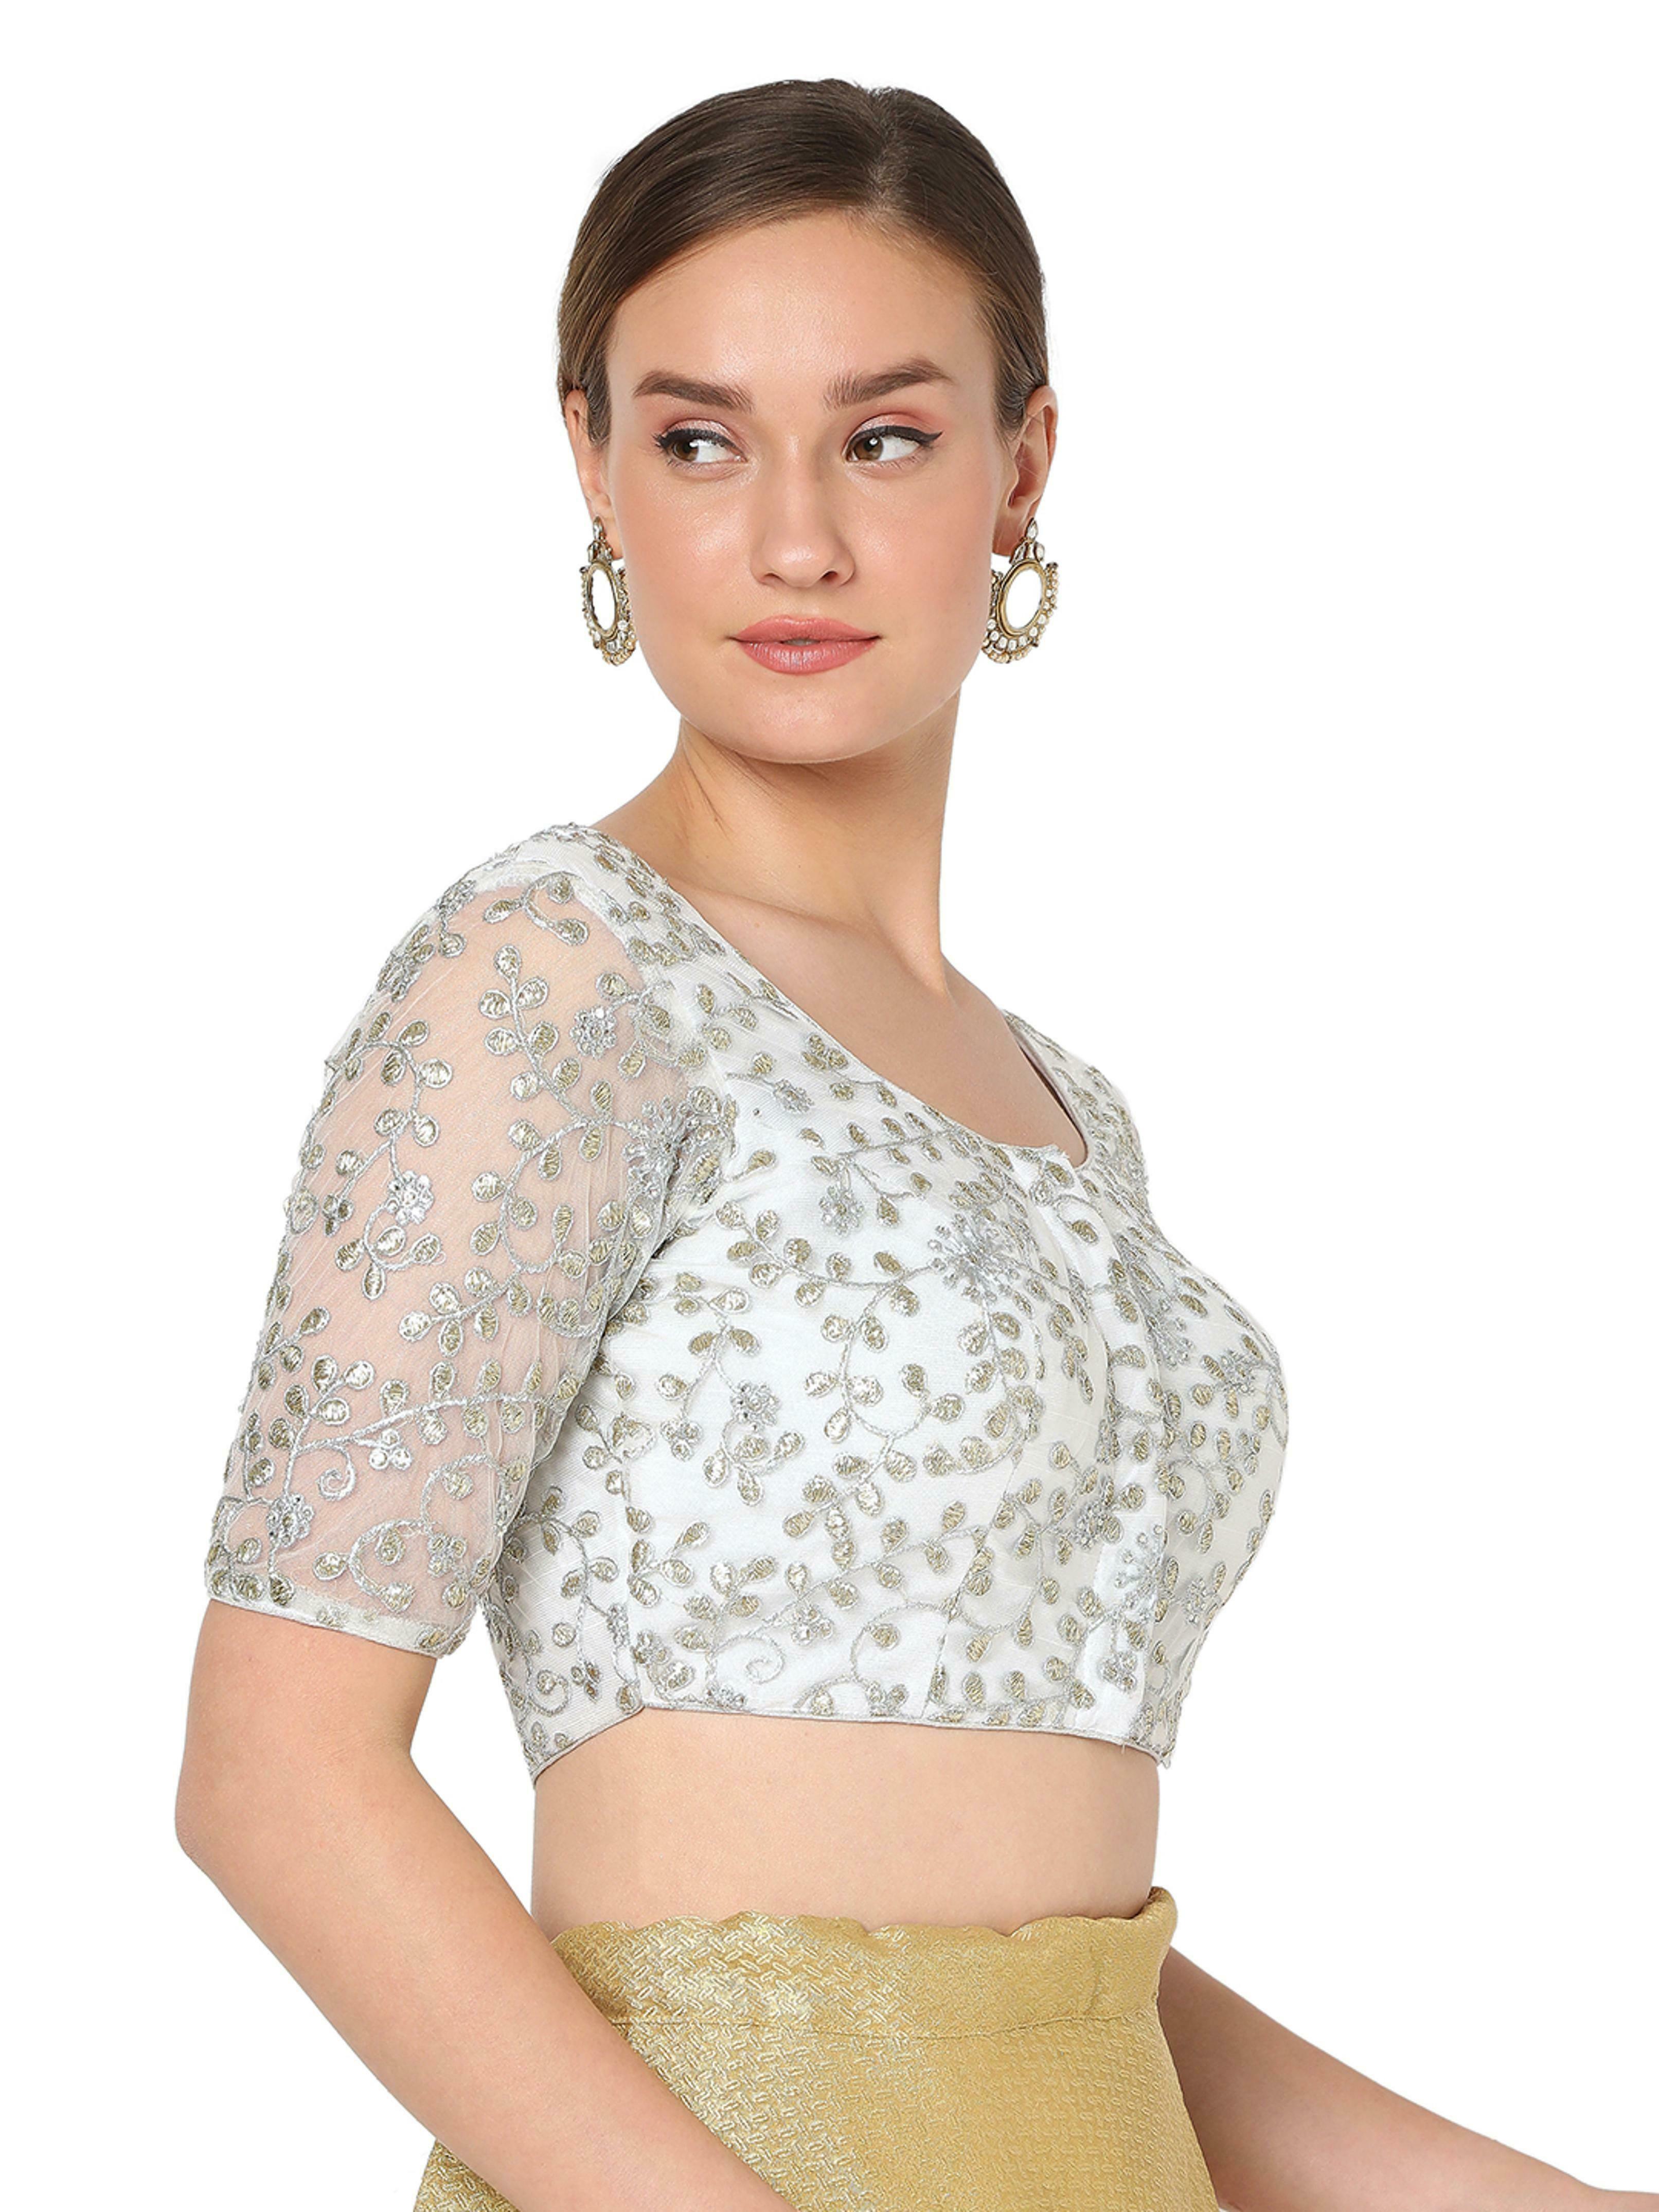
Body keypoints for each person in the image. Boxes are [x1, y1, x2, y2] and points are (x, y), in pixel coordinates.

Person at [175, 78, 1653, 2212]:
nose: (795, 539)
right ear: (592, 462)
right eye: (700, 441)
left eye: (881, 437)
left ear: (1019, 466)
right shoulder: (550, 980)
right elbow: (277, 1778)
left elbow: (1048, 1982)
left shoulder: (1066, 1114)